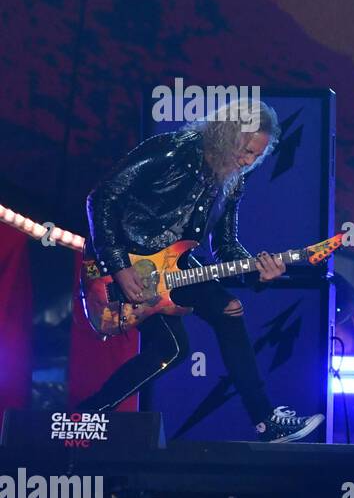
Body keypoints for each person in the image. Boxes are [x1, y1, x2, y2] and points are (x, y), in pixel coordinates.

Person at [75, 100, 324, 442]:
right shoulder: (173, 150)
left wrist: (258, 273)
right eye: (247, 150)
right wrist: (118, 267)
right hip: (126, 262)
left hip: (172, 267)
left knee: (222, 315)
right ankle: (88, 415)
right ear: (227, 134)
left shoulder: (232, 180)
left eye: (257, 156)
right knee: (173, 348)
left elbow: (225, 246)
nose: (249, 161)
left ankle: (265, 421)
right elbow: (102, 197)